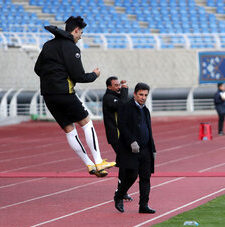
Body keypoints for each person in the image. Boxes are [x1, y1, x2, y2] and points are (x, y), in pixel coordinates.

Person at [34, 16, 115, 177]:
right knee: (86, 123)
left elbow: (37, 69)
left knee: (70, 130)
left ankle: (89, 164)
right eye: (81, 33)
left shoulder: (48, 45)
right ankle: (98, 161)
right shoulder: (71, 48)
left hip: (48, 95)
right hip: (65, 93)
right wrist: (95, 74)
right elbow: (79, 76)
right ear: (76, 30)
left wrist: (51, 79)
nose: (80, 37)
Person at [113, 82, 156, 214]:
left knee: (145, 177)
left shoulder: (146, 110)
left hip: (145, 149)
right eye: (141, 94)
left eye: (145, 95)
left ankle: (143, 205)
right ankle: (119, 195)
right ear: (135, 94)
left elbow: (149, 130)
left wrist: (152, 148)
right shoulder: (126, 107)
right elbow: (122, 125)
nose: (143, 97)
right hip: (130, 149)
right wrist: (131, 141)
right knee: (131, 176)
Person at [102, 76, 133, 201]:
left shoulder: (116, 96)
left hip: (122, 135)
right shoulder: (109, 98)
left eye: (119, 85)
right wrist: (125, 90)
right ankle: (120, 191)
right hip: (116, 136)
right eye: (116, 85)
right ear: (109, 87)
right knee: (125, 163)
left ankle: (122, 190)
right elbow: (122, 105)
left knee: (125, 163)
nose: (118, 87)